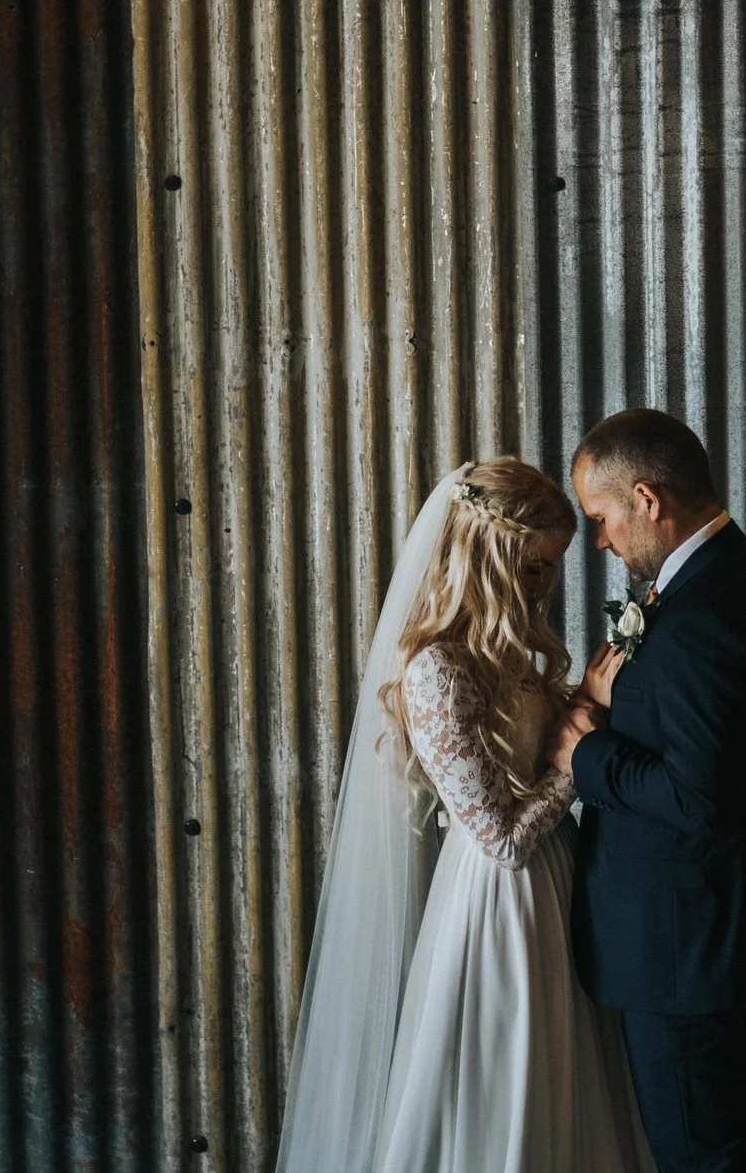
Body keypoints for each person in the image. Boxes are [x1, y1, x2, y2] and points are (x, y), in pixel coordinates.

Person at [275, 457, 654, 1173]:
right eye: (534, 566)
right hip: (500, 907)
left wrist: (584, 708)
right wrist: (579, 749)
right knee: (510, 1088)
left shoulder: (509, 653)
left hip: (561, 883)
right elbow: (503, 838)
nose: (543, 585)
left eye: (551, 568)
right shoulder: (438, 670)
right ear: (489, 554)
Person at [552, 409, 746, 1173]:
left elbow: (699, 796)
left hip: (688, 946)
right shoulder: (727, 580)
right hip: (701, 939)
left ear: (646, 498)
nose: (601, 540)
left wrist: (589, 755)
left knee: (706, 1156)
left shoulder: (708, 609)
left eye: (602, 518)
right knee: (723, 1143)